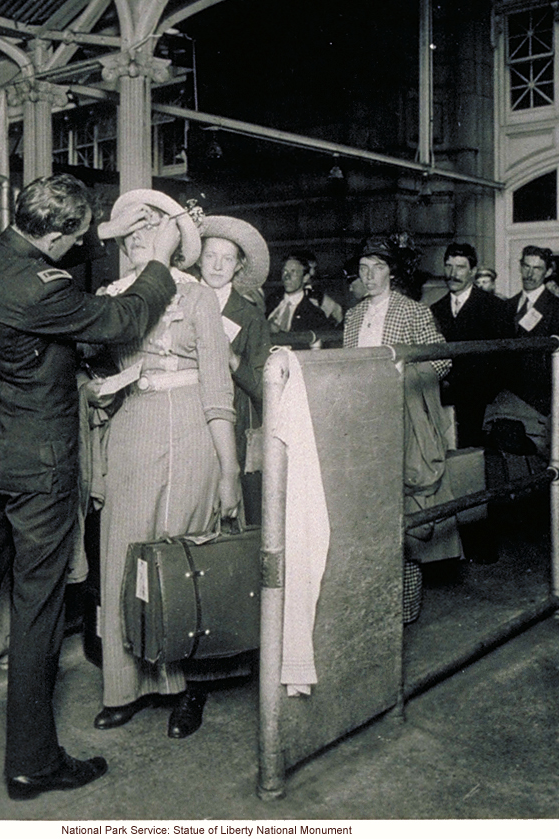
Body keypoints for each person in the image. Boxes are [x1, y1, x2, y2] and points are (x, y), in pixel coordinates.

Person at [0, 174, 178, 801]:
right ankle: (33, 763)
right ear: (58, 236)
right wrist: (159, 262)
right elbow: (122, 317)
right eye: (80, 237)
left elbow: (41, 253)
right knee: (37, 607)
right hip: (37, 467)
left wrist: (106, 234)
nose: (86, 244)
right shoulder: (44, 294)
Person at [89, 189, 243, 741]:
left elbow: (218, 389)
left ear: (171, 241)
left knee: (183, 560)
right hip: (131, 433)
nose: (136, 242)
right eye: (127, 235)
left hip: (191, 437)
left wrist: (228, 472)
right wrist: (96, 389)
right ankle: (124, 688)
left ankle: (187, 688)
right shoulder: (110, 297)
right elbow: (94, 371)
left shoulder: (198, 298)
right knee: (124, 554)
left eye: (147, 233)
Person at [344, 236, 453, 623]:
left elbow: (442, 361)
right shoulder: (354, 316)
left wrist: (404, 370)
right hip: (363, 422)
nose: (369, 275)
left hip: (400, 422)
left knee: (403, 512)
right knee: (367, 510)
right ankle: (374, 599)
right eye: (363, 268)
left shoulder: (412, 312)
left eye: (378, 267)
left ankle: (405, 606)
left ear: (392, 271)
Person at [197, 214, 272, 524]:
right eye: (211, 256)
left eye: (227, 259)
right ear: (197, 258)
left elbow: (265, 389)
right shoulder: (179, 300)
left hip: (232, 430)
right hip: (186, 423)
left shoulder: (250, 316)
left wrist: (232, 360)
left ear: (239, 265)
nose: (217, 265)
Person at [429, 242, 508, 448]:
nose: (452, 273)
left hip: (481, 407)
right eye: (448, 266)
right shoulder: (434, 310)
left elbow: (503, 363)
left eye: (460, 267)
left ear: (473, 271)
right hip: (442, 404)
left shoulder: (495, 308)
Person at [503, 245, 559, 415]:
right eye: (526, 267)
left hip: (541, 401)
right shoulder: (506, 306)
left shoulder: (557, 308)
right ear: (520, 267)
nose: (529, 274)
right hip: (509, 398)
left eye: (537, 268)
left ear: (547, 272)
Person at [266, 250, 333, 334]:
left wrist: (278, 333)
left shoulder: (314, 314)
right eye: (285, 271)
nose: (287, 277)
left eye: (293, 272)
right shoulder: (270, 302)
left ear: (305, 278)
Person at [299, 249, 344, 325]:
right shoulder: (282, 295)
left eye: (314, 268)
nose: (312, 273)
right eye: (309, 268)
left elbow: (337, 310)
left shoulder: (316, 295)